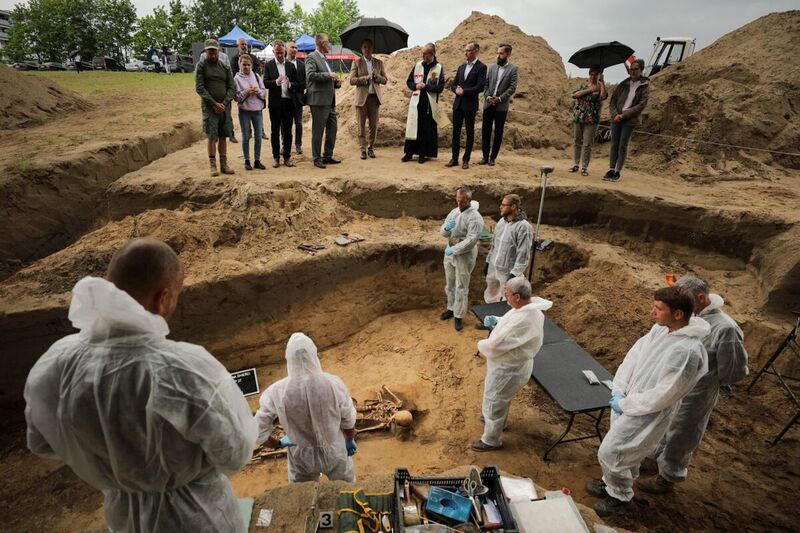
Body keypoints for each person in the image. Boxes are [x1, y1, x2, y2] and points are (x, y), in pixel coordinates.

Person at [24, 238, 257, 532]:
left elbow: (41, 442)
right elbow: (234, 453)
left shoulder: (55, 365)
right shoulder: (184, 369)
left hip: (124, 519)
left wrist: (113, 455)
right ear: (164, 298)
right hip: (198, 518)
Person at [586, 286, 709, 517]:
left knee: (613, 452)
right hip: (629, 398)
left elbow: (665, 394)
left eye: (659, 309)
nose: (652, 312)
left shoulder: (687, 351)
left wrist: (627, 405)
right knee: (626, 450)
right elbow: (634, 356)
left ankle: (620, 498)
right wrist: (619, 390)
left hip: (649, 410)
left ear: (678, 314)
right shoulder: (660, 330)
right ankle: (612, 483)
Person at [639, 275, 749, 494]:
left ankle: (668, 477)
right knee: (663, 420)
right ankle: (654, 457)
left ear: (700, 298)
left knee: (683, 431)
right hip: (672, 384)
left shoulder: (725, 328)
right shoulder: (690, 315)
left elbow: (734, 369)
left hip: (697, 392)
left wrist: (709, 381)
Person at [255, 332, 358, 483]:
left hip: (301, 457)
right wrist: (349, 439)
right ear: (314, 354)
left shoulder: (276, 392)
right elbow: (348, 419)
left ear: (288, 359)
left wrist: (277, 444)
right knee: (345, 489)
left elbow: (258, 431)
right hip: (335, 451)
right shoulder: (334, 384)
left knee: (304, 495)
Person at [473, 278, 552, 451]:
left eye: (507, 294)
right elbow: (511, 320)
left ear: (517, 296)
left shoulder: (524, 318)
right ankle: (496, 421)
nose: (505, 297)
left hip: (508, 369)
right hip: (512, 365)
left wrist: (481, 345)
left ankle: (491, 439)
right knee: (499, 398)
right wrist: (498, 320)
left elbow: (495, 345)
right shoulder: (528, 310)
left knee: (495, 399)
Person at [440, 186, 483, 331]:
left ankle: (459, 316)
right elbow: (443, 231)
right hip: (450, 250)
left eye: (463, 202)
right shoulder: (454, 212)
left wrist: (455, 249)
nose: (459, 204)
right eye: (457, 201)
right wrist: (446, 229)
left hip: (464, 254)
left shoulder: (475, 217)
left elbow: (471, 240)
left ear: (469, 200)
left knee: (461, 286)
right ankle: (451, 308)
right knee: (450, 283)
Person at [605, 58, 650, 182]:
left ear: (641, 70)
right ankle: (611, 168)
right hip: (616, 117)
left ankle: (618, 171)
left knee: (622, 145)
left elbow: (641, 105)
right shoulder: (624, 83)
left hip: (629, 119)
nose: (633, 71)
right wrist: (614, 114)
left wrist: (624, 115)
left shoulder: (644, 86)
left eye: (636, 69)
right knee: (614, 143)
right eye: (631, 69)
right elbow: (613, 100)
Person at [196, 38, 236, 177]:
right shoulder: (201, 66)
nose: (212, 55)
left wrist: (224, 103)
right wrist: (213, 103)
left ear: (218, 51)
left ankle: (224, 164)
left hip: (224, 107)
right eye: (210, 52)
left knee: (224, 135)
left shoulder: (224, 67)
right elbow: (200, 88)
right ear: (205, 51)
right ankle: (213, 165)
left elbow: (232, 87)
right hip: (210, 107)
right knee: (212, 136)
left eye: (215, 52)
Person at [402, 43, 447, 163]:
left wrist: (426, 86)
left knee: (425, 129)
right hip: (416, 102)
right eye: (422, 53)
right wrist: (415, 85)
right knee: (413, 126)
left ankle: (423, 153)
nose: (423, 55)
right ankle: (409, 153)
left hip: (429, 104)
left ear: (432, 54)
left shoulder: (438, 68)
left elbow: (441, 87)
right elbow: (409, 81)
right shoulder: (417, 65)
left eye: (426, 53)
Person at [483, 194, 532, 303]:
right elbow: (494, 245)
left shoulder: (523, 227)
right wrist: (488, 262)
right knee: (491, 294)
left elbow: (523, 254)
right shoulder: (501, 222)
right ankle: (491, 316)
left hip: (508, 271)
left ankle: (504, 319)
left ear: (514, 206)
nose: (500, 207)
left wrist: (514, 274)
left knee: (508, 300)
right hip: (494, 268)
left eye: (504, 205)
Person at [447, 41, 486, 170]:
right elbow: (453, 84)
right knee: (456, 132)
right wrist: (455, 89)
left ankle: (466, 160)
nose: (466, 53)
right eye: (465, 50)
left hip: (470, 104)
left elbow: (480, 86)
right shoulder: (461, 67)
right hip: (458, 104)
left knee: (469, 132)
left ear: (476, 51)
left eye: (468, 50)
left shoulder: (481, 67)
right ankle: (454, 158)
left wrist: (465, 91)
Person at [306, 33, 341, 169]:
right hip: (319, 101)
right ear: (321, 43)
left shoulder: (324, 59)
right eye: (328, 42)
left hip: (330, 100)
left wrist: (335, 83)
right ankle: (316, 158)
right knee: (318, 131)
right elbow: (310, 75)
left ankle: (327, 155)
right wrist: (329, 75)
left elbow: (327, 79)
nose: (329, 45)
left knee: (332, 129)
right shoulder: (311, 57)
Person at [349, 38, 388, 160]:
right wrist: (365, 77)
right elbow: (351, 80)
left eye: (369, 47)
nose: (367, 49)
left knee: (373, 126)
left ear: (372, 49)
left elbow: (385, 80)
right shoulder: (356, 63)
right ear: (361, 49)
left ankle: (370, 148)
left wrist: (377, 77)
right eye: (365, 47)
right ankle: (362, 150)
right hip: (361, 99)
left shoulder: (379, 63)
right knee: (361, 125)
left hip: (374, 99)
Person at [480, 44, 518, 166]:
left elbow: (512, 87)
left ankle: (492, 158)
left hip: (501, 106)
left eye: (501, 53)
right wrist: (489, 97)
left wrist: (500, 99)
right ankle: (485, 157)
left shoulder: (513, 69)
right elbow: (485, 85)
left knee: (498, 132)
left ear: (508, 54)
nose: (499, 55)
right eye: (498, 53)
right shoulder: (491, 68)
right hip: (488, 103)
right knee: (485, 131)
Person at [264, 40, 298, 168]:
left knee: (288, 131)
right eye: (277, 53)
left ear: (285, 51)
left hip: (288, 102)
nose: (279, 55)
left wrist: (290, 84)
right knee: (274, 131)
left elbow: (298, 84)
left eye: (281, 52)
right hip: (275, 103)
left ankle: (287, 157)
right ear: (273, 52)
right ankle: (276, 157)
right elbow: (265, 82)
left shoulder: (290, 66)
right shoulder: (269, 65)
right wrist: (276, 82)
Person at [569, 66, 607, 176]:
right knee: (577, 141)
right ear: (589, 74)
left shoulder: (601, 87)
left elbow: (603, 96)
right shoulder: (583, 85)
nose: (593, 76)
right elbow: (574, 95)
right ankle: (576, 164)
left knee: (587, 144)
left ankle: (584, 167)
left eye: (596, 74)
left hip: (592, 119)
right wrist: (589, 90)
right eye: (592, 74)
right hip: (579, 116)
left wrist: (602, 82)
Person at [234, 54, 267, 171]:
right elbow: (237, 98)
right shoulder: (237, 79)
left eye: (248, 65)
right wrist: (247, 91)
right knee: (246, 136)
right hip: (244, 111)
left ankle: (257, 160)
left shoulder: (257, 76)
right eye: (244, 64)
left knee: (258, 136)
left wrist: (257, 91)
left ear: (252, 65)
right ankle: (247, 160)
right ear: (240, 65)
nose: (246, 67)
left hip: (257, 111)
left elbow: (264, 92)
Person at [287, 40, 306, 154]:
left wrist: (292, 85)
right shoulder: (282, 64)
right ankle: (285, 145)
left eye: (296, 47)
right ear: (286, 49)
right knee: (285, 124)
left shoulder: (301, 65)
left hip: (298, 98)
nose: (294, 49)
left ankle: (298, 145)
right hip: (285, 98)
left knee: (298, 123)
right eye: (292, 47)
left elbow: (305, 82)